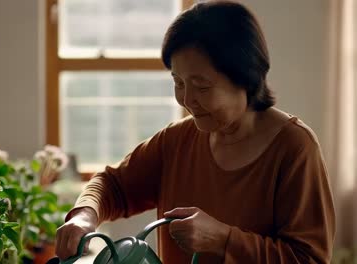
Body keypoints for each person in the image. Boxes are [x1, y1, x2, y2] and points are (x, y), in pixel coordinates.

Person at [55, 1, 336, 263]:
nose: (187, 100)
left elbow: (308, 258)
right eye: (178, 82)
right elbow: (112, 185)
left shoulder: (294, 147)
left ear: (246, 78)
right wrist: (84, 215)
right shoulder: (176, 140)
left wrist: (222, 239)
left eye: (201, 86)